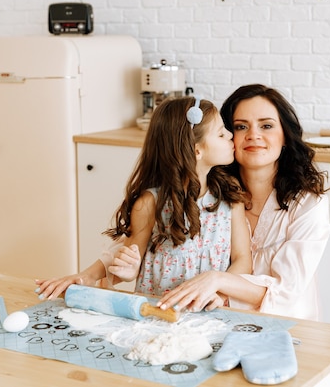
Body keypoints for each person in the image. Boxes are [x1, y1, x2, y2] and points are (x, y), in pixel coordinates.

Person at [35, 96, 251, 309]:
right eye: (222, 134)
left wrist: (217, 291)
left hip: (211, 314)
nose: (231, 135)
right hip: (157, 315)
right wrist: (100, 274)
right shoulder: (150, 203)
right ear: (197, 150)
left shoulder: (229, 197)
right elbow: (129, 257)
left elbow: (243, 259)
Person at [156, 84, 330, 320]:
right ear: (225, 136)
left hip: (287, 329)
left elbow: (285, 292)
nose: (253, 135)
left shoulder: (309, 205)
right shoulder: (209, 192)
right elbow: (145, 235)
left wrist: (218, 280)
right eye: (240, 127)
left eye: (266, 126)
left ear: (285, 135)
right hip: (207, 323)